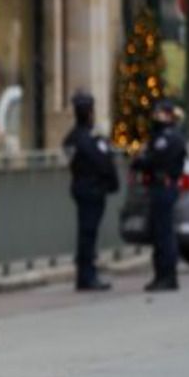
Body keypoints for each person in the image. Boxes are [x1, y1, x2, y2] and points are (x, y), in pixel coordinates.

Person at [61, 90, 120, 291]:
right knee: (88, 233)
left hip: (83, 188)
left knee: (87, 233)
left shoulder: (74, 138)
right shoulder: (87, 139)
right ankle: (87, 276)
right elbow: (103, 162)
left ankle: (85, 274)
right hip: (92, 190)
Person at [131, 99, 187, 292]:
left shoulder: (168, 137)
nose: (156, 117)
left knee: (164, 234)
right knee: (160, 232)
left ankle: (167, 276)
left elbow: (151, 160)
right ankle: (162, 275)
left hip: (164, 187)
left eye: (160, 113)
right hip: (160, 187)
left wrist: (140, 159)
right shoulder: (162, 136)